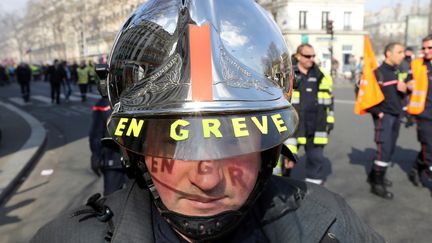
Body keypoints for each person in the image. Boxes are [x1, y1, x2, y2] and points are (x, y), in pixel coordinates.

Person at [31, 1, 384, 242]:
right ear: (132, 152)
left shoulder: (332, 225)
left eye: (234, 139)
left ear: (270, 151)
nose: (208, 178)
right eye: (174, 139)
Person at [285, 44, 334, 185]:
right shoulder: (288, 76)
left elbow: (329, 102)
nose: (311, 59)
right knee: (284, 164)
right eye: (307, 56)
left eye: (313, 56)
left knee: (316, 162)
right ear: (298, 56)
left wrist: (329, 122)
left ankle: (314, 195)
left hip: (316, 128)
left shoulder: (322, 76)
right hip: (292, 129)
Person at [365, 42, 407, 199]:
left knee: (390, 150)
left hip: (396, 116)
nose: (403, 55)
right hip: (385, 117)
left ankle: (374, 175)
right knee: (384, 150)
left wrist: (404, 89)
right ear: (388, 54)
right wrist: (377, 112)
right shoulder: (377, 73)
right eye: (399, 52)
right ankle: (377, 184)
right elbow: (361, 93)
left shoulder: (396, 71)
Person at [406, 34, 432, 196]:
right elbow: (407, 79)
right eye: (424, 48)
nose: (426, 51)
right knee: (429, 147)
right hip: (424, 114)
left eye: (430, 48)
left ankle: (417, 167)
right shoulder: (417, 64)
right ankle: (428, 176)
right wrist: (408, 83)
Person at [89, 96, 127, 196]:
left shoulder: (104, 104)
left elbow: (96, 134)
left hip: (113, 160)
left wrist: (96, 157)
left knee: (112, 201)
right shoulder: (139, 98)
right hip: (132, 159)